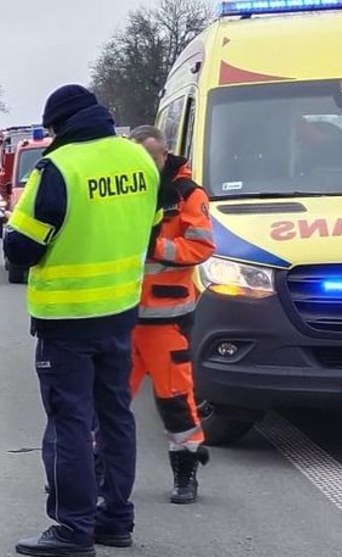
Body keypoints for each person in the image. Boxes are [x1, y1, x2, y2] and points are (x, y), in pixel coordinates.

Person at [4, 84, 161, 557]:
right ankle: (116, 519)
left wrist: (17, 229)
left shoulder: (58, 169)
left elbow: (21, 248)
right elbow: (150, 226)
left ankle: (73, 527)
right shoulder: (139, 160)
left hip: (68, 319)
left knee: (69, 422)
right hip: (120, 313)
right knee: (115, 415)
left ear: (59, 126)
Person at [127, 125, 217, 504]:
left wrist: (155, 245)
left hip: (167, 318)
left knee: (175, 398)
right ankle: (97, 472)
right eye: (140, 158)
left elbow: (200, 247)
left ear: (166, 155)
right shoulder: (126, 191)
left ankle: (186, 474)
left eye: (153, 157)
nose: (147, 165)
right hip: (123, 315)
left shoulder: (187, 196)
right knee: (107, 399)